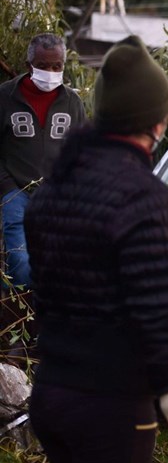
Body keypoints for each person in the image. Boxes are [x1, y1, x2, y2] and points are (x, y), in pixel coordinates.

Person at [25, 35, 168, 463]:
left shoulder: (55, 189)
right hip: (109, 407)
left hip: (53, 396)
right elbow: (155, 311)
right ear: (155, 120)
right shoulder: (143, 197)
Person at [0, 32, 86, 290]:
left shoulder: (72, 102)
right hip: (16, 193)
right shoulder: (5, 97)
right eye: (43, 66)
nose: (50, 72)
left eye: (56, 66)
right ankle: (18, 317)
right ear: (29, 66)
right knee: (21, 261)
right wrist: (6, 187)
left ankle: (44, 321)